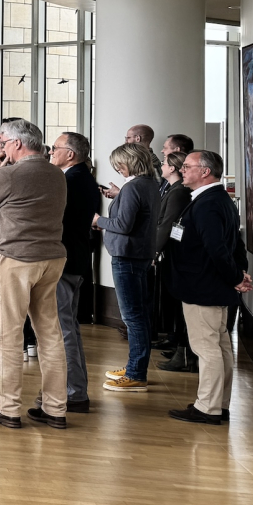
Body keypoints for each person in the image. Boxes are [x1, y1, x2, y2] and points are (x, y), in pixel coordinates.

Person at [0, 119, 68, 430]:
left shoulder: (11, 174)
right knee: (50, 334)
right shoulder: (57, 174)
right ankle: (55, 408)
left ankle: (9, 408)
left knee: (8, 335)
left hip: (16, 260)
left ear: (17, 144)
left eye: (1, 141)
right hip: (52, 258)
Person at [167, 150, 252, 425]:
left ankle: (208, 407)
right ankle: (219, 404)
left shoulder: (208, 204)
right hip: (213, 286)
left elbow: (217, 248)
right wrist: (239, 273)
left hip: (203, 287)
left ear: (205, 172)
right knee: (220, 346)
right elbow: (235, 245)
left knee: (207, 348)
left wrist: (236, 278)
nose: (182, 170)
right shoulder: (217, 199)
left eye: (188, 166)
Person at [94, 142, 158, 393]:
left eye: (119, 164)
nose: (118, 168)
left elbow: (122, 225)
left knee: (133, 317)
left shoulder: (134, 187)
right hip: (139, 255)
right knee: (138, 315)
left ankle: (136, 373)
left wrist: (99, 220)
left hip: (127, 256)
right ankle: (135, 366)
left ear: (129, 162)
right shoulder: (149, 184)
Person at [47, 131, 100, 413]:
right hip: (75, 261)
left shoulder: (72, 181)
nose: (51, 152)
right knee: (69, 328)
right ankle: (76, 389)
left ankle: (73, 392)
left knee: (62, 329)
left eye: (56, 148)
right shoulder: (81, 179)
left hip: (65, 262)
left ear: (71, 153)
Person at [155, 151, 197, 373]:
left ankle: (184, 353)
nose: (161, 166)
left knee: (178, 305)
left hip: (175, 254)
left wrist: (154, 251)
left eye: (164, 163)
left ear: (172, 168)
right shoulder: (174, 190)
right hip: (172, 253)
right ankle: (180, 350)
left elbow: (167, 224)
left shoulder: (178, 192)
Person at [103, 124, 158, 199]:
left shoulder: (149, 162)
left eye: (128, 138)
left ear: (138, 138)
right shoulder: (147, 159)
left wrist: (121, 194)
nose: (126, 141)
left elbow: (153, 194)